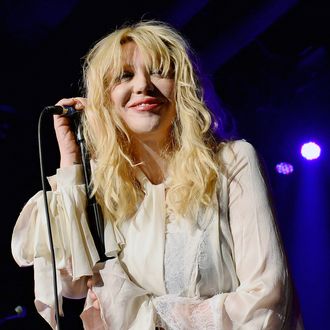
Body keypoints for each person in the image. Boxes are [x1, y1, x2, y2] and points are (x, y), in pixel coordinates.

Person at [11, 21, 303, 329]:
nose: (142, 86)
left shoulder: (232, 161)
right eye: (125, 76)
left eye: (159, 71)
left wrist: (160, 313)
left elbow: (268, 296)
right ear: (104, 98)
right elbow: (68, 284)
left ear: (183, 86)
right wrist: (72, 163)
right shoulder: (105, 184)